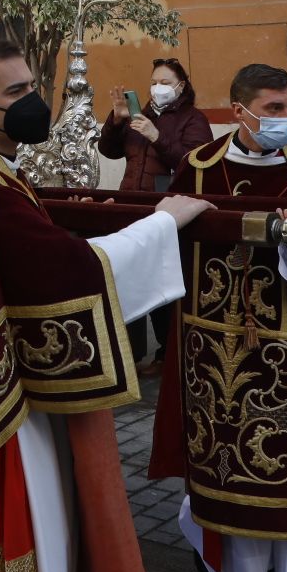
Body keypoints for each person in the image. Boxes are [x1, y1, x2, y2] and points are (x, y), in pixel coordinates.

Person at [0, 38, 212, 572]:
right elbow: (74, 271)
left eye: (33, 86)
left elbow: (42, 257)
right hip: (7, 408)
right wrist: (164, 222)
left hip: (21, 392)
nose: (32, 99)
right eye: (17, 91)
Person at [151, 62, 287, 572]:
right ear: (239, 112)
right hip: (207, 362)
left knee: (284, 479)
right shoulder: (199, 169)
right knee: (217, 484)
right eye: (274, 109)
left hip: (284, 367)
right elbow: (167, 247)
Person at [100, 58, 211, 374]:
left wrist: (156, 136)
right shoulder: (140, 115)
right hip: (131, 208)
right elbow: (108, 150)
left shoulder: (193, 119)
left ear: (181, 86)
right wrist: (117, 120)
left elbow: (194, 162)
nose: (157, 88)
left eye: (165, 82)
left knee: (163, 280)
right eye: (154, 82)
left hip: (168, 211)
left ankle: (168, 354)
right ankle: (131, 352)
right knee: (131, 277)